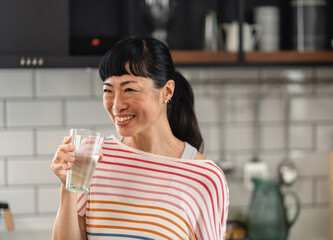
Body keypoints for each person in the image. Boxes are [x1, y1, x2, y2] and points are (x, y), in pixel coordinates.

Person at [51, 36, 229, 240]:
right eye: (108, 90)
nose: (117, 105)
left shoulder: (204, 177)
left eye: (129, 89)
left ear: (167, 91)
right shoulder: (93, 156)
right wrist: (67, 187)